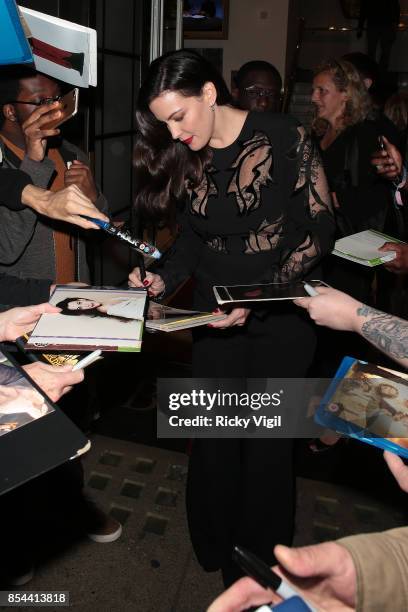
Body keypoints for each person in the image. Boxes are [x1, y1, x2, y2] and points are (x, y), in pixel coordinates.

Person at [127, 49, 334, 585]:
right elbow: (194, 238)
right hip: (214, 315)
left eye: (180, 116)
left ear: (211, 94)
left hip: (280, 315)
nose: (174, 133)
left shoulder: (284, 135)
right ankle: (214, 543)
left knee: (265, 451)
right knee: (217, 438)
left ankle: (260, 567)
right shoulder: (189, 151)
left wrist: (258, 294)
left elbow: (318, 229)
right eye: (164, 122)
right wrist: (163, 280)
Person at [0, 64, 109, 282]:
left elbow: (98, 235)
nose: (57, 109)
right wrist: (33, 162)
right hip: (24, 306)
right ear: (10, 111)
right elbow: (6, 249)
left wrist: (95, 199)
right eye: (42, 101)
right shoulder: (3, 166)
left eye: (58, 98)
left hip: (74, 296)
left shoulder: (69, 153)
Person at [357, 0, 400, 72]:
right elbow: (396, 9)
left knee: (373, 50)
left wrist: (360, 27)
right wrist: (395, 26)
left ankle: (373, 71)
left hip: (375, 24)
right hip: (385, 25)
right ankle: (380, 71)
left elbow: (363, 10)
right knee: (385, 51)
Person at [55, 295, 144, 321]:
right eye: (79, 308)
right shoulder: (106, 308)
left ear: (81, 298)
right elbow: (140, 313)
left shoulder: (106, 303)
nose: (85, 306)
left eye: (79, 303)